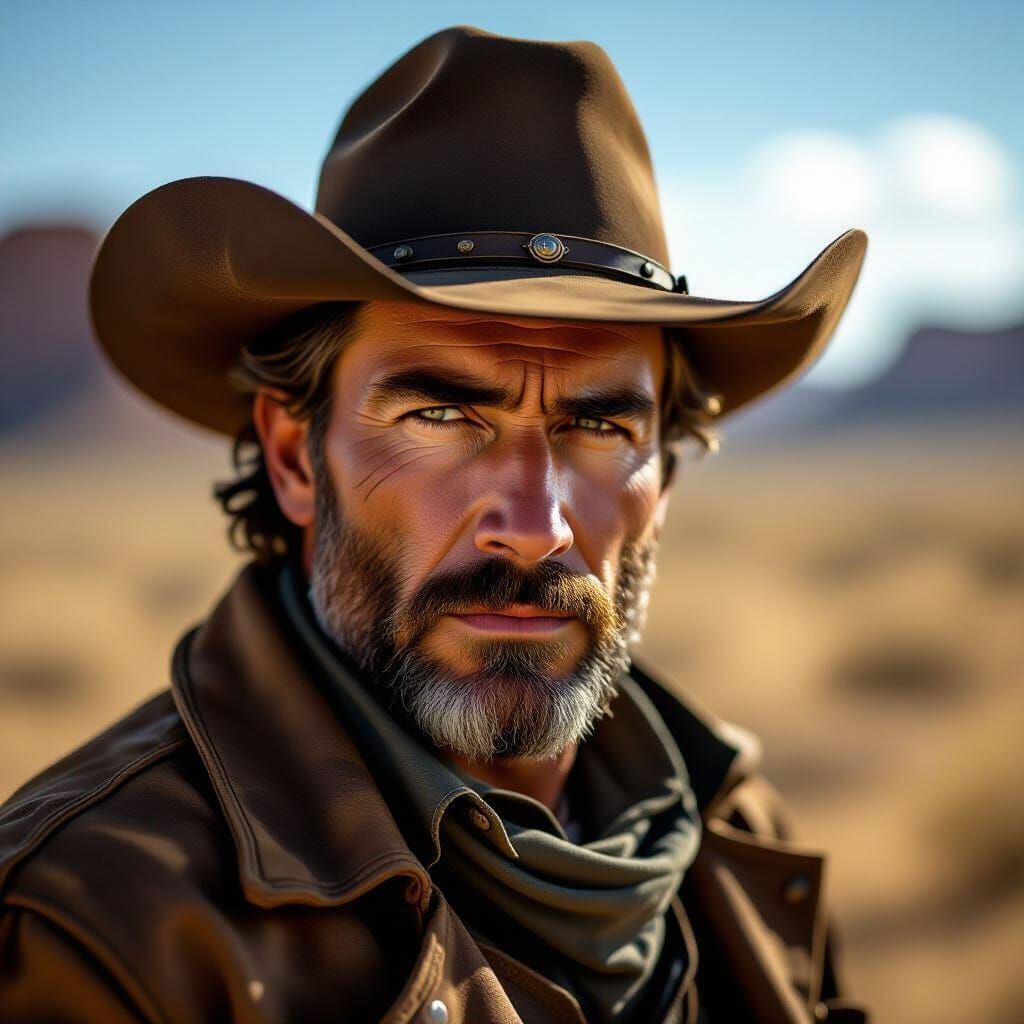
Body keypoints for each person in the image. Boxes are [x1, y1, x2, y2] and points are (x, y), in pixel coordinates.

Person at [0, 25, 869, 1024]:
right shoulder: (101, 926)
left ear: (662, 477)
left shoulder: (736, 832)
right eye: (443, 415)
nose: (534, 528)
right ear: (294, 457)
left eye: (598, 423)